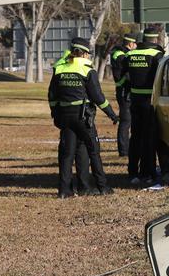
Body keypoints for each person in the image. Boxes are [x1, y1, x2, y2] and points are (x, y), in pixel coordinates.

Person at [49, 37, 119, 198]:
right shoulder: (87, 69)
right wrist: (111, 114)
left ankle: (66, 190)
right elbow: (98, 97)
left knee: (68, 153)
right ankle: (103, 187)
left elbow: (52, 94)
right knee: (93, 151)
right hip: (83, 117)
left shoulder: (59, 68)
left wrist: (55, 113)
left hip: (65, 116)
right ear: (85, 54)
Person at [125, 28, 165, 184]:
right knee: (149, 138)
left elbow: (123, 78)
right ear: (155, 40)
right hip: (150, 102)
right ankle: (148, 173)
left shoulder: (130, 55)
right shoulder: (156, 55)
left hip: (135, 100)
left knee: (135, 137)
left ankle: (133, 172)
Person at [110, 33, 137, 157]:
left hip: (126, 91)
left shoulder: (123, 53)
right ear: (131, 44)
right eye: (135, 43)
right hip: (123, 91)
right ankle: (124, 151)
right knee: (126, 121)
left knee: (129, 120)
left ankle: (129, 147)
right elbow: (125, 70)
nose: (136, 46)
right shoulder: (120, 54)